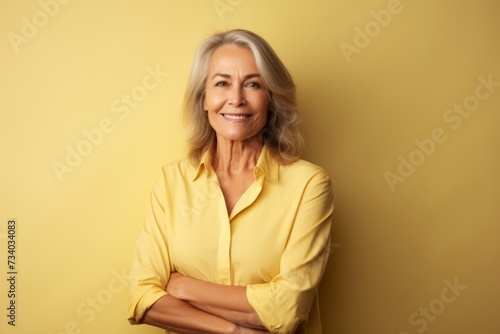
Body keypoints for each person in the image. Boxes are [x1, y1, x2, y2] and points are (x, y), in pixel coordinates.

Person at [127, 29, 334, 334]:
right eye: (222, 83)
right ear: (204, 100)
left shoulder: (309, 185)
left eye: (252, 84)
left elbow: (287, 310)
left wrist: (183, 287)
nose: (236, 99)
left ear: (271, 99)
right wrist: (234, 330)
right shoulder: (171, 182)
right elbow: (143, 298)